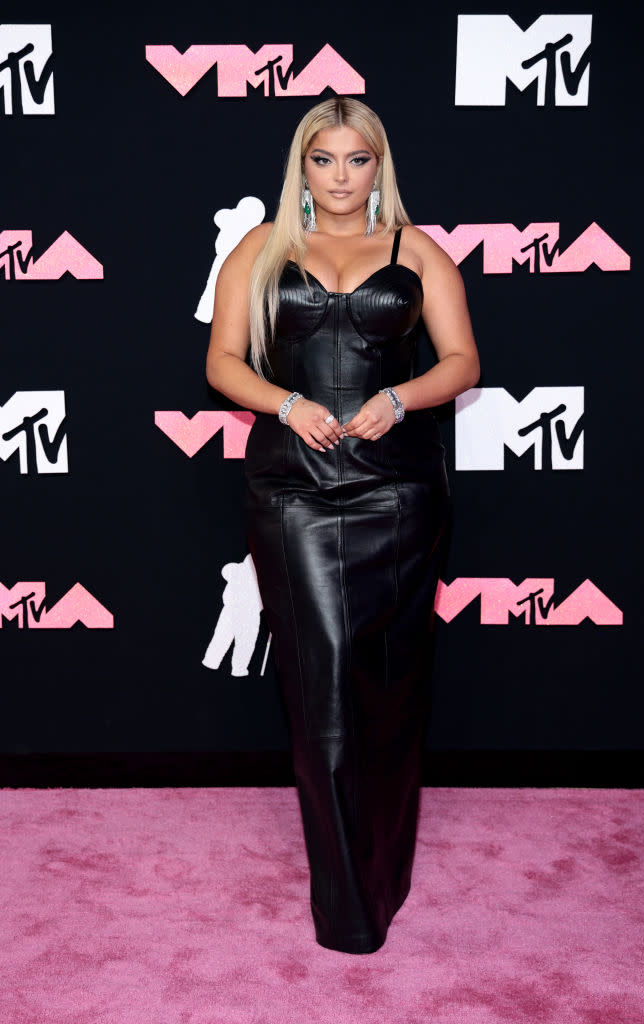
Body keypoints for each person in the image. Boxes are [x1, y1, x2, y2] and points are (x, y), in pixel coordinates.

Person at [206, 96, 480, 954]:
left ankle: (384, 869)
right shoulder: (260, 248)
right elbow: (219, 362)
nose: (337, 176)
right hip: (291, 489)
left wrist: (398, 397)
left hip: (396, 493)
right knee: (321, 692)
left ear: (377, 166)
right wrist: (286, 402)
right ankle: (347, 909)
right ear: (301, 167)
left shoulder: (416, 251)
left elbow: (463, 360)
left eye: (355, 160)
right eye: (321, 160)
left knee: (388, 688)